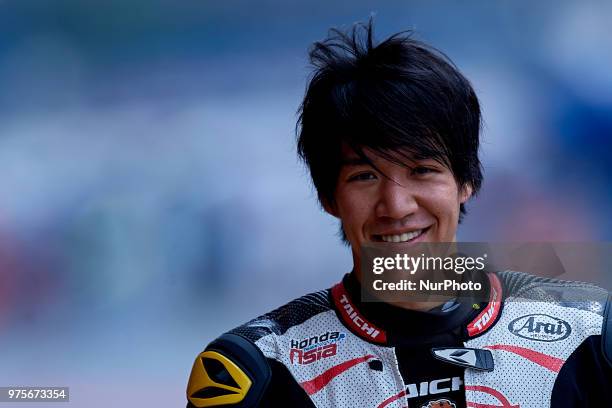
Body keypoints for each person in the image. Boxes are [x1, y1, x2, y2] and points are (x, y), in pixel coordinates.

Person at [186, 20, 612, 408]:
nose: (397, 205)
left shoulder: (593, 338)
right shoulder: (256, 375)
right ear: (327, 196)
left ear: (467, 182)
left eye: (422, 170)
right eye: (366, 176)